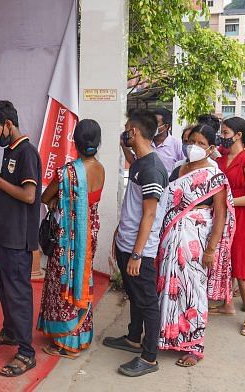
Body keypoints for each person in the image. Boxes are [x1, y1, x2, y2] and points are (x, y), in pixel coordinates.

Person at [156, 124, 234, 366]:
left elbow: (220, 214)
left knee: (193, 290)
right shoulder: (178, 170)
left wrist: (211, 249)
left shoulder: (214, 176)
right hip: (170, 239)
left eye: (201, 143)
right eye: (191, 142)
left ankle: (194, 345)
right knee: (168, 285)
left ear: (211, 148)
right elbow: (166, 204)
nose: (194, 147)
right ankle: (168, 336)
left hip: (196, 241)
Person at [0, 100, 41, 378]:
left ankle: (27, 353)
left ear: (8, 125)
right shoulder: (11, 151)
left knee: (18, 293)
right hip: (3, 234)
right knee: (5, 288)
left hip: (17, 238)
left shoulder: (26, 152)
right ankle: (11, 332)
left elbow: (28, 195)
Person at [103, 110, 167, 377]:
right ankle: (133, 337)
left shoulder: (152, 168)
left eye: (127, 130)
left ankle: (150, 357)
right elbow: (134, 202)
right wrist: (120, 235)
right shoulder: (141, 161)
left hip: (141, 249)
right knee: (136, 297)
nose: (125, 133)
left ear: (136, 131)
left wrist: (138, 254)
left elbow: (150, 215)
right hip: (127, 243)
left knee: (147, 301)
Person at [36, 119, 105, 359]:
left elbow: (45, 197)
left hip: (68, 238)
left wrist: (56, 199)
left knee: (63, 279)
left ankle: (66, 341)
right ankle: (81, 335)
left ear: (74, 141)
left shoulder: (67, 172)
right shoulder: (101, 169)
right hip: (89, 232)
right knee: (82, 278)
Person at [212, 117, 245, 337]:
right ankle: (227, 305)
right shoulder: (220, 159)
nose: (222, 136)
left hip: (241, 216)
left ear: (238, 135)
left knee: (242, 267)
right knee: (224, 260)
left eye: (225, 132)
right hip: (223, 215)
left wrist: (228, 202)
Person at [121, 107, 184, 174]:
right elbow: (134, 161)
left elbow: (183, 167)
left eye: (156, 123)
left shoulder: (177, 145)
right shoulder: (145, 141)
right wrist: (123, 144)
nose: (152, 125)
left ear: (166, 126)